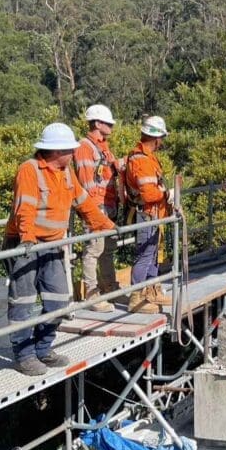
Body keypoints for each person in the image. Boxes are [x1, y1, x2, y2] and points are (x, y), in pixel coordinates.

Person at [4, 123, 116, 376]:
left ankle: (43, 349)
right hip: (25, 244)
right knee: (23, 302)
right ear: (56, 151)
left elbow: (84, 203)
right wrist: (27, 238)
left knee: (57, 301)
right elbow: (25, 207)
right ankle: (24, 355)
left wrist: (106, 225)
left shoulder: (66, 173)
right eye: (70, 150)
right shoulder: (29, 170)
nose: (74, 154)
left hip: (52, 245)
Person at [74, 104, 122, 312]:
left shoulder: (103, 147)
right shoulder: (84, 147)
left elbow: (109, 171)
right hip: (96, 208)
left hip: (108, 205)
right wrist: (95, 212)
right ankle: (92, 295)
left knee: (108, 249)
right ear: (97, 123)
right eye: (108, 123)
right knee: (93, 250)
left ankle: (110, 287)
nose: (111, 126)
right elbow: (87, 183)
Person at [123, 116, 173, 314]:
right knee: (144, 256)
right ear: (157, 138)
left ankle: (152, 290)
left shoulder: (147, 157)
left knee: (152, 255)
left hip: (154, 214)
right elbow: (149, 193)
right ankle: (136, 298)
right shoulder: (142, 160)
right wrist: (167, 194)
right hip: (146, 214)